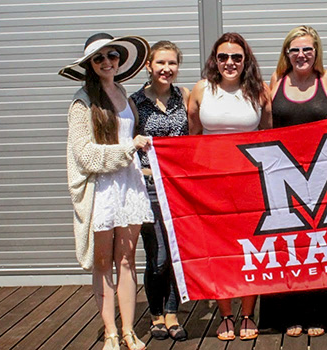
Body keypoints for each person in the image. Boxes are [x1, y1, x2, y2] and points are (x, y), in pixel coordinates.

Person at [59, 33, 153, 350]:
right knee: (103, 262)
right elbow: (85, 154)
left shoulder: (123, 94)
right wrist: (129, 148)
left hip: (129, 185)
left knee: (126, 260)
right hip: (101, 190)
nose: (107, 62)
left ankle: (128, 330)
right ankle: (110, 331)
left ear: (119, 58)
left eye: (111, 55)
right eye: (99, 58)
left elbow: (131, 138)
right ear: (90, 65)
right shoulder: (82, 101)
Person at [258, 25, 327, 338]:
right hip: (283, 177)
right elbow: (266, 129)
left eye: (307, 49)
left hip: (322, 176)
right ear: (286, 54)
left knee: (321, 248)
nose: (301, 55)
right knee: (287, 248)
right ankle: (287, 315)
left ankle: (320, 313)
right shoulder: (276, 81)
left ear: (316, 52)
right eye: (294, 49)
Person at [186, 32, 272, 341]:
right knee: (218, 248)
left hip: (250, 183)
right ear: (215, 60)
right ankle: (225, 314)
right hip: (211, 183)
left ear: (246, 60)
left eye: (236, 57)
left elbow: (269, 135)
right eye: (223, 57)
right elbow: (192, 137)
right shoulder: (201, 90)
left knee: (250, 247)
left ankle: (247, 313)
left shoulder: (260, 92)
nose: (230, 63)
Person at [130, 40, 189, 342]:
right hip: (149, 189)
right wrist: (145, 170)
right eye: (161, 63)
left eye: (172, 63)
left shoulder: (185, 97)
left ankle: (172, 312)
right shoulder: (134, 102)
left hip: (179, 191)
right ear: (148, 66)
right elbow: (127, 147)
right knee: (159, 256)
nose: (167, 69)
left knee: (178, 253)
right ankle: (155, 313)